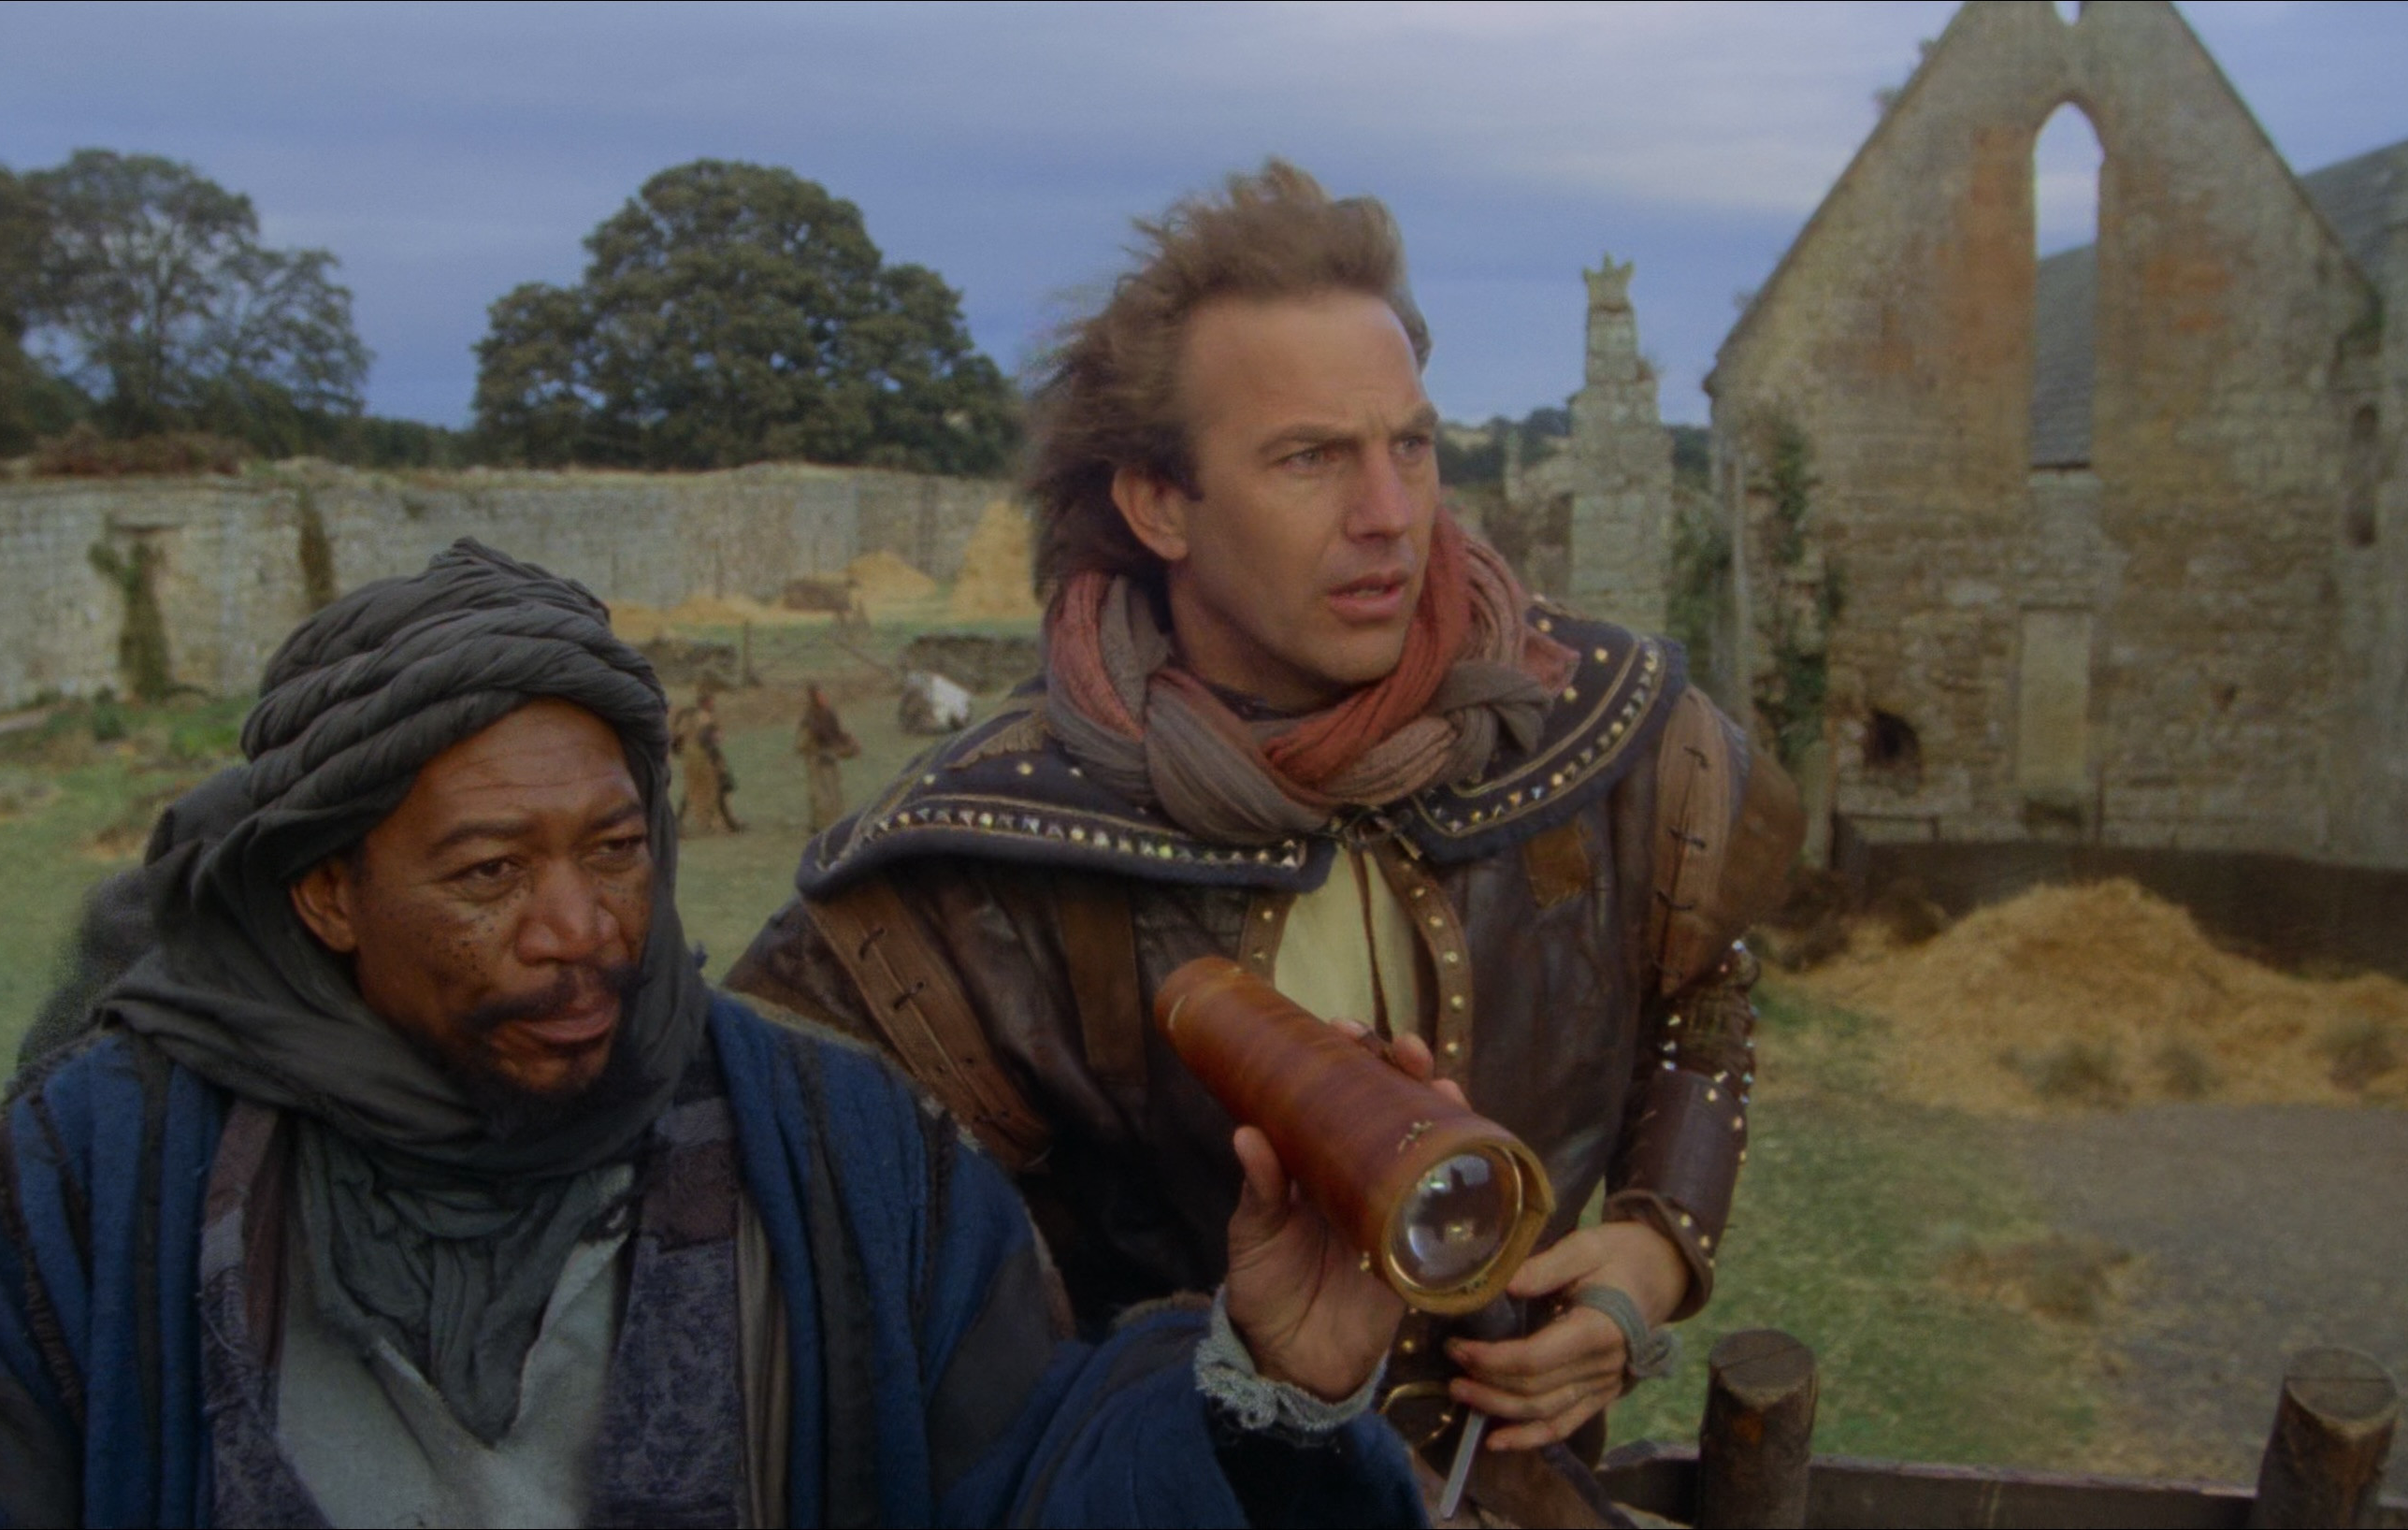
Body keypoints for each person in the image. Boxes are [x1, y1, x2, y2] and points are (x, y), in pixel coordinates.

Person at [0, 541, 1427, 1529]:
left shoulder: (841, 1161)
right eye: (487, 873)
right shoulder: (120, 1163)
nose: (580, 929)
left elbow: (1031, 1489)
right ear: (329, 894)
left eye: (614, 850)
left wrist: (1267, 1386)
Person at [728, 164, 1801, 1523]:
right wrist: (1230, 1389)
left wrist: (1653, 1252)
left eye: (1410, 445)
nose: (1391, 514)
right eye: (1310, 458)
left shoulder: (1601, 732)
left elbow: (1706, 996)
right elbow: (866, 1279)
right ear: (1159, 504)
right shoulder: (992, 855)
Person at [671, 681, 741, 835]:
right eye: (711, 701)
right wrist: (716, 750)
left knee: (692, 789)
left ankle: (680, 822)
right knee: (714, 788)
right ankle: (724, 822)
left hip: (689, 757)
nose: (713, 704)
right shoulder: (705, 717)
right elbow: (706, 739)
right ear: (705, 702)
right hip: (703, 757)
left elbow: (676, 739)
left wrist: (681, 751)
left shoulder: (687, 715)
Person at [795, 684, 860, 834]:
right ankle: (820, 826)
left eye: (823, 695)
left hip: (830, 758)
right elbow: (801, 744)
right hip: (816, 761)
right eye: (819, 696)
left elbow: (836, 734)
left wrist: (848, 742)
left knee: (834, 793)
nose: (823, 698)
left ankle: (835, 824)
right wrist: (814, 750)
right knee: (820, 795)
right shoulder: (809, 718)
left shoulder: (830, 714)